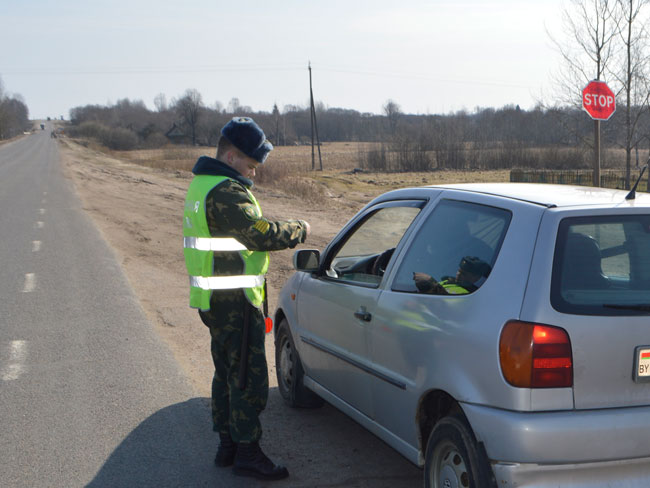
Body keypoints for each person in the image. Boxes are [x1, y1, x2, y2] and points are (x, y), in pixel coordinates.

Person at [183, 117, 310, 481]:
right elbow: (260, 235)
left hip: (214, 298)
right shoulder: (226, 191)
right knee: (247, 379)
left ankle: (227, 445)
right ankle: (247, 453)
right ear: (232, 155)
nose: (254, 172)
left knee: (225, 372)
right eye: (252, 164)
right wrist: (299, 229)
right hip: (236, 300)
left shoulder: (201, 185)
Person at [412, 256, 491, 295]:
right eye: (458, 271)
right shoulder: (449, 281)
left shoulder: (470, 294)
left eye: (463, 274)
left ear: (476, 277)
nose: (458, 274)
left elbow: (445, 305)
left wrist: (431, 282)